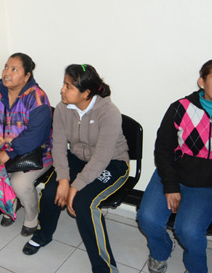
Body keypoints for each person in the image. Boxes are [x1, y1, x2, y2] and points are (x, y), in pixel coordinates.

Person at [137, 58, 212, 273]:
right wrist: (171, 186)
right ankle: (160, 251)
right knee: (147, 218)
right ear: (202, 82)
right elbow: (163, 150)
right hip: (175, 173)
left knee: (189, 231)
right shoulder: (180, 108)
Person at [23, 64, 130, 273]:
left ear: (86, 93)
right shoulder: (62, 108)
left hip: (112, 162)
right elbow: (59, 146)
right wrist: (63, 180)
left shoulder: (109, 112)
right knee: (50, 192)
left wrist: (75, 187)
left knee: (84, 204)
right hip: (78, 158)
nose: (62, 90)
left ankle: (105, 268)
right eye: (64, 84)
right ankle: (43, 235)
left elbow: (101, 158)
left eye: (68, 86)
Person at [0, 53, 53, 235]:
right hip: (2, 152)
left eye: (14, 69)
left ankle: (32, 217)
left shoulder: (37, 98)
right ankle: (11, 205)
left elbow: (36, 136)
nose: (7, 72)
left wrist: (10, 152)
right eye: (6, 67)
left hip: (35, 154)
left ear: (26, 76)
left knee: (20, 184)